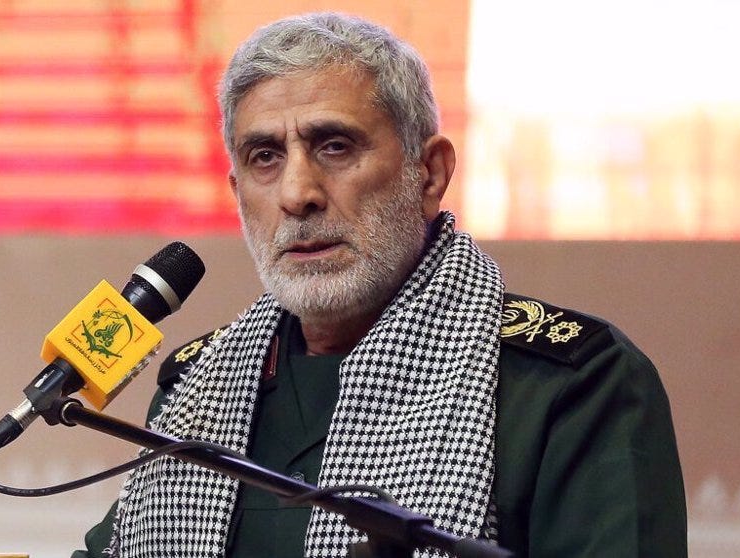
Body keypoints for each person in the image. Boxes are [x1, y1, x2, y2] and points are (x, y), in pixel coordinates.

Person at [74, 12, 686, 558]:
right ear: (238, 195)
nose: (296, 194)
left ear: (430, 173)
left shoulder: (573, 385)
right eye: (264, 157)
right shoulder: (194, 392)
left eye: (335, 147)